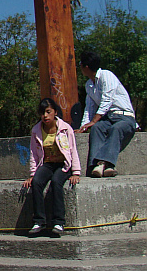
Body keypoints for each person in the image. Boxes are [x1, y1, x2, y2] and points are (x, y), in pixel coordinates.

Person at [24, 98, 81, 237]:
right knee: (37, 182)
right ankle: (39, 221)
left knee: (56, 182)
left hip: (63, 164)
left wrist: (76, 172)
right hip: (47, 163)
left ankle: (59, 222)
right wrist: (32, 174)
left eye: (48, 112)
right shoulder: (36, 130)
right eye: (42, 113)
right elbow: (33, 153)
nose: (45, 116)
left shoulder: (65, 128)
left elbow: (72, 150)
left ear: (55, 112)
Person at [75, 51, 138, 177]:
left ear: (86, 67)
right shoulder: (89, 85)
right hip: (108, 118)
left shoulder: (106, 75)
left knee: (116, 129)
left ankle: (107, 164)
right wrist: (85, 126)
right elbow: (90, 107)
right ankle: (96, 165)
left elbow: (106, 100)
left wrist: (94, 120)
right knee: (97, 128)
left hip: (124, 116)